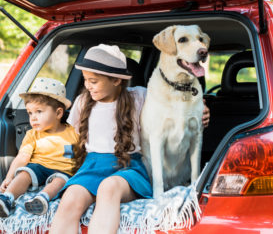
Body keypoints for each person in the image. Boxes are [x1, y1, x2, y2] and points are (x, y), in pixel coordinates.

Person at [49, 44, 210, 234]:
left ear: (116, 80)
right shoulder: (82, 103)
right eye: (85, 80)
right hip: (91, 167)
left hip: (128, 166)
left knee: (108, 188)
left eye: (93, 81)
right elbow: (72, 138)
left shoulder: (140, 96)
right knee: (70, 198)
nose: (87, 86)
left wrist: (199, 109)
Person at [0, 77, 79, 218]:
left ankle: (42, 199)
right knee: (25, 172)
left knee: (60, 181)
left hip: (63, 171)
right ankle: (7, 199)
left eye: (39, 111)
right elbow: (22, 158)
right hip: (38, 167)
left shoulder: (73, 133)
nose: (33, 118)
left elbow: (83, 156)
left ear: (59, 113)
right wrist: (9, 177)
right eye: (30, 112)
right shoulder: (32, 135)